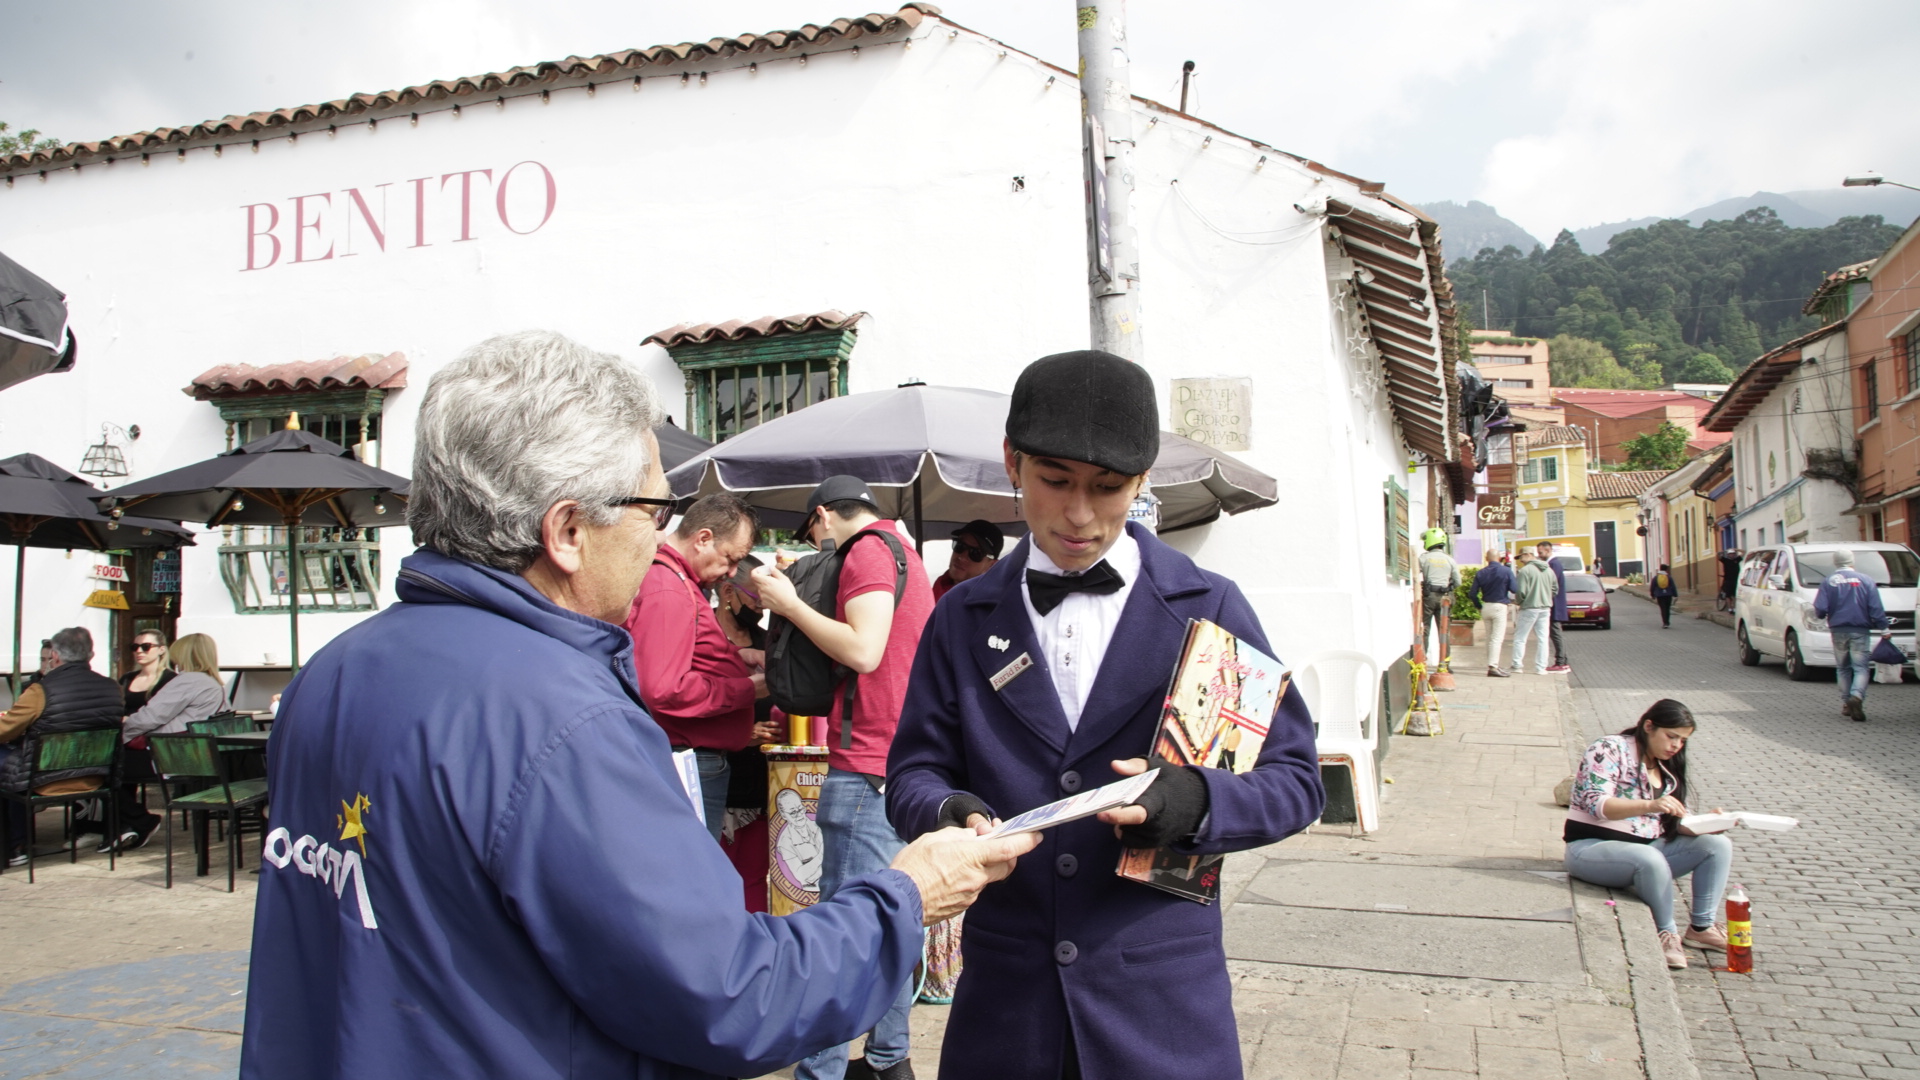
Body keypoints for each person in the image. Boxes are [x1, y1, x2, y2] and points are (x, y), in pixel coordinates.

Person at [240, 330, 1037, 1080]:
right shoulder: (559, 719)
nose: (661, 541)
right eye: (653, 513)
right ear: (567, 532)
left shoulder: (332, 672)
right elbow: (729, 993)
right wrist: (905, 898)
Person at [886, 350, 1326, 1080]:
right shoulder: (961, 618)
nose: (1081, 513)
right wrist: (945, 811)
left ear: (1143, 480)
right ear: (1011, 463)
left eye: (1109, 487)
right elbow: (913, 771)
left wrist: (1194, 800)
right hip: (1006, 1013)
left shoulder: (1207, 608)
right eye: (1055, 481)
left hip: (1160, 1011)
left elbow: (1295, 779)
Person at [752, 474, 936, 1080]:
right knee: (885, 920)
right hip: (895, 759)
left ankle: (822, 1072)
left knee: (836, 930)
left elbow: (864, 650)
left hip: (865, 763)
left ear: (824, 516)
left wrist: (791, 605)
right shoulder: (901, 550)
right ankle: (888, 1060)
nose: (815, 543)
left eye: (811, 531)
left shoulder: (866, 553)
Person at [626, 492, 765, 841]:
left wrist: (735, 657)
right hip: (688, 759)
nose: (731, 573)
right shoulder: (669, 588)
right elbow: (663, 688)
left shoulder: (677, 583)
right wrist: (750, 688)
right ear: (703, 539)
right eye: (730, 559)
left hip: (692, 757)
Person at [1563, 699, 1731, 970]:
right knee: (1649, 857)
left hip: (1646, 847)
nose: (1676, 746)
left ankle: (1701, 928)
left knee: (1717, 845)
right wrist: (1649, 804)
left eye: (1683, 740)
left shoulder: (1667, 766)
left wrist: (1708, 823)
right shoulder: (1608, 748)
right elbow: (1596, 804)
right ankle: (1666, 932)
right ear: (1648, 726)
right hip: (1591, 848)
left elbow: (1674, 823)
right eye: (1671, 736)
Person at [0, 627, 124, 866]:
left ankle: (16, 844)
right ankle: (17, 844)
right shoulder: (113, 688)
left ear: (55, 655)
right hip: (94, 777)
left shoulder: (41, 690)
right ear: (91, 654)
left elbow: (6, 730)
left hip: (46, 780)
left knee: (7, 763)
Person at [108, 632, 229, 851]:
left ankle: (138, 821)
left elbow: (152, 716)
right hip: (195, 756)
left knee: (104, 767)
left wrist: (123, 731)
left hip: (170, 756)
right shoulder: (215, 685)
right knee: (118, 764)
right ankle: (128, 824)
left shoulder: (188, 681)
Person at [1813, 548, 1886, 722]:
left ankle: (1846, 703)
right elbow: (1875, 608)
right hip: (1860, 630)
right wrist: (1884, 628)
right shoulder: (1866, 580)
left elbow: (1820, 609)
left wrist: (1824, 615)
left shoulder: (1828, 581)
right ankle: (1857, 696)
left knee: (1843, 668)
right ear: (1852, 561)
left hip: (1838, 630)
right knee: (1860, 667)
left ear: (1835, 562)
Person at [932, 519, 1005, 603]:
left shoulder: (991, 608)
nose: (962, 557)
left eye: (976, 553)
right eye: (960, 545)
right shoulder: (930, 592)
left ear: (992, 565)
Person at [1469, 550, 1515, 678]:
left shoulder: (1481, 573)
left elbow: (1472, 593)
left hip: (1486, 606)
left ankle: (1491, 665)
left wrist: (1479, 606)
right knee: (1496, 638)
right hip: (1499, 606)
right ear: (1499, 558)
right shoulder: (1506, 571)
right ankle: (1493, 667)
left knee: (1489, 638)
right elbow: (1514, 589)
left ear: (1486, 558)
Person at [1511, 550, 1557, 675]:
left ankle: (1517, 665)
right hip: (1545, 607)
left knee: (1520, 637)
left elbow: (1521, 591)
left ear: (1529, 555)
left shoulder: (1525, 571)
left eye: (1521, 557)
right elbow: (1555, 589)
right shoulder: (1549, 570)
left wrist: (1519, 602)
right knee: (1543, 638)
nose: (1520, 560)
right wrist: (1547, 597)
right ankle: (1541, 667)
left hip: (1529, 607)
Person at [1417, 528, 1459, 663]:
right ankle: (1445, 664)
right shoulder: (1450, 560)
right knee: (1444, 631)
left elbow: (1416, 576)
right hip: (1444, 599)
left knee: (1425, 629)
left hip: (1428, 597)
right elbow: (1458, 582)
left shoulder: (1423, 558)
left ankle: (1421, 661)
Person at [1535, 541, 1572, 673]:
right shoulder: (1553, 564)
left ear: (1548, 550)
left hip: (1554, 603)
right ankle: (1562, 661)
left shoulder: (1553, 564)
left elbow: (1550, 583)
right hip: (1553, 602)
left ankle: (1560, 662)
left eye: (1540, 552)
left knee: (1556, 633)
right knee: (1555, 632)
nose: (1539, 555)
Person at [1649, 564, 1679, 629]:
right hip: (1668, 595)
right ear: (1666, 569)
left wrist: (1652, 595)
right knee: (1667, 608)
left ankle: (1664, 623)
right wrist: (1675, 595)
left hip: (1659, 595)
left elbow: (1652, 587)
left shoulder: (1656, 577)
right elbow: (1673, 586)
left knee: (1663, 609)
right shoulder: (1669, 577)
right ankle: (1667, 622)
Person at [1717, 548, 1743, 612]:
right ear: (1728, 555)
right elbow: (1718, 555)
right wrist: (1722, 551)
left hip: (1736, 580)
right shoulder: (1725, 560)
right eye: (1730, 554)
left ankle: (1734, 607)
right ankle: (1730, 608)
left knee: (1734, 595)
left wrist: (1736, 549)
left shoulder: (1737, 560)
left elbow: (1743, 552)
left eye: (1733, 554)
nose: (1732, 555)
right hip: (1728, 580)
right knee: (1728, 595)